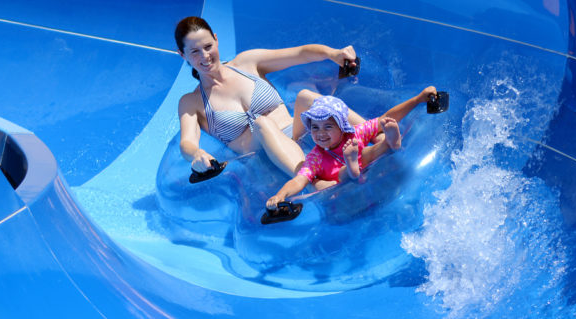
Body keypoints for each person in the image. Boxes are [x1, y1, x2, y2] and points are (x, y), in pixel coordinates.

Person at [175, 16, 362, 177]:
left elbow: (300, 53)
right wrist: (197, 154)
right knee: (261, 124)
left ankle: (374, 132)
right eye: (195, 52)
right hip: (262, 159)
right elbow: (187, 142)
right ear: (183, 55)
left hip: (295, 134)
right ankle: (315, 184)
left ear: (216, 40)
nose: (205, 56)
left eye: (208, 46)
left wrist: (333, 54)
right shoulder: (191, 102)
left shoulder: (246, 63)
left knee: (305, 96)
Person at [265, 89, 436, 210]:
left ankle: (390, 143)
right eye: (315, 128)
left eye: (328, 126)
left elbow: (387, 118)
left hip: (364, 174)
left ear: (341, 127)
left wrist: (418, 99)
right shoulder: (315, 157)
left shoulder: (354, 134)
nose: (320, 133)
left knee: (368, 152)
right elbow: (299, 180)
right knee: (337, 177)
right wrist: (281, 195)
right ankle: (357, 165)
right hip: (343, 192)